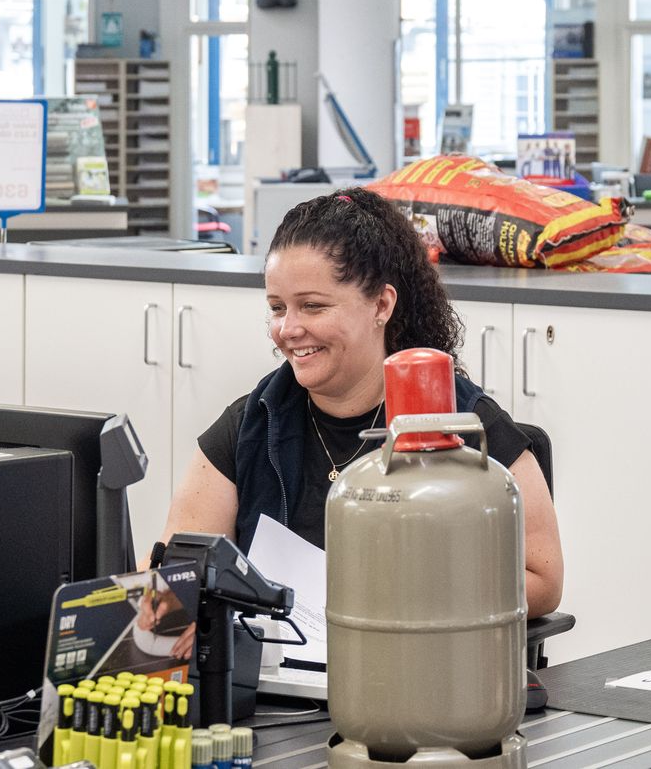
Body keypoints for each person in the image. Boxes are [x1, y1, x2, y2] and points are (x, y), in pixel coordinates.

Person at [159, 188, 565, 644]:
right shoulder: (252, 423)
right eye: (277, 308)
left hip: (411, 675)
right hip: (274, 687)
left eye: (313, 306)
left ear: (382, 305)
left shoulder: (462, 420)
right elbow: (176, 575)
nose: (288, 329)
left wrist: (396, 602)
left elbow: (542, 579)